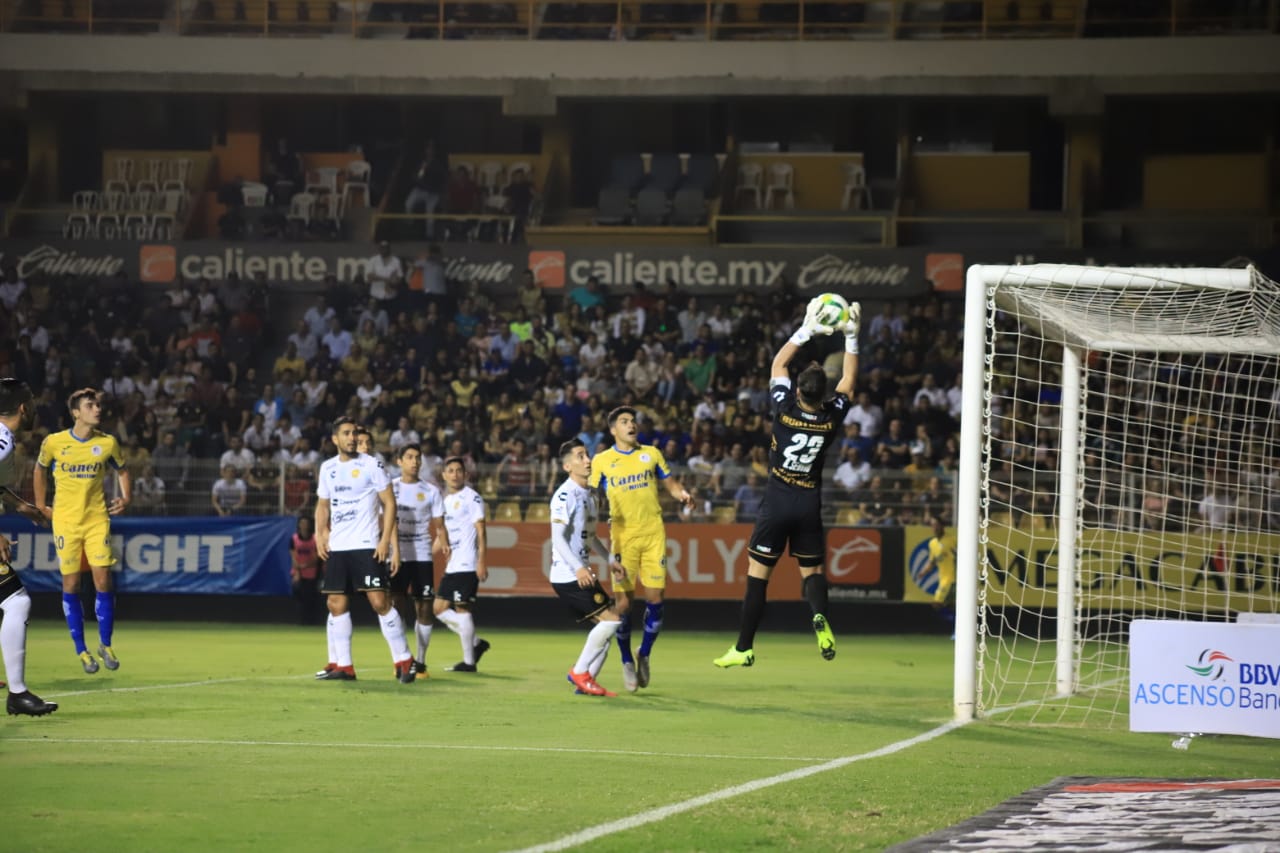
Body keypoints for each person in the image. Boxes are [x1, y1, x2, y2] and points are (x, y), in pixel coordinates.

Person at [714, 297, 860, 668]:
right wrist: (852, 338)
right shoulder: (832, 416)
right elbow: (848, 383)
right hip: (809, 503)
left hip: (778, 501)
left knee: (757, 578)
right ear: (821, 394)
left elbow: (778, 362)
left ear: (798, 391)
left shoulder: (783, 409)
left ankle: (744, 648)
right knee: (811, 573)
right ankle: (819, 616)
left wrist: (807, 329)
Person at [591, 406, 693, 692]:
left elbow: (671, 484)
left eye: (633, 421)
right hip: (623, 537)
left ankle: (643, 653)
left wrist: (682, 494)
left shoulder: (652, 454)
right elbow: (589, 493)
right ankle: (625, 660)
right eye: (624, 421)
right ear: (614, 430)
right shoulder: (602, 461)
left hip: (653, 533)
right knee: (623, 604)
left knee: (656, 599)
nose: (631, 424)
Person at [33, 388, 131, 675]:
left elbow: (123, 470)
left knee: (103, 579)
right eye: (90, 405)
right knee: (71, 584)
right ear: (76, 412)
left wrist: (126, 499)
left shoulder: (107, 443)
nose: (97, 409)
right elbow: (39, 470)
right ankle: (81, 649)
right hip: (65, 522)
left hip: (96, 519)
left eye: (98, 405)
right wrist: (40, 505)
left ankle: (106, 643)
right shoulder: (54, 442)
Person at [313, 417, 415, 684]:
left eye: (354, 433)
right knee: (335, 603)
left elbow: (389, 503)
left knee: (380, 602)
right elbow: (322, 505)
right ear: (335, 439)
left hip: (366, 544)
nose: (351, 438)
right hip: (339, 546)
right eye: (346, 434)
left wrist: (384, 541)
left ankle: (404, 659)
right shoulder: (327, 468)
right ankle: (345, 666)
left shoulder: (372, 464)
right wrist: (320, 533)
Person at [549, 439, 627, 698]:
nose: (588, 460)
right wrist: (578, 569)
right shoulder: (564, 495)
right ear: (568, 465)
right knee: (612, 620)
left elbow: (589, 536)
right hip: (568, 574)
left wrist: (609, 560)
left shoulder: (591, 494)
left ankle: (586, 682)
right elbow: (557, 538)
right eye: (581, 456)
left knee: (608, 626)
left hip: (579, 571)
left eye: (587, 455)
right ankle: (580, 673)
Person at [0, 379, 57, 715]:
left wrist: (25, 508)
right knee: (16, 602)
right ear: (23, 407)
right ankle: (17, 694)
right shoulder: (3, 439)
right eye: (31, 401)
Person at [391, 444, 449, 679]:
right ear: (399, 461)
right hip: (397, 554)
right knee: (396, 607)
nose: (414, 461)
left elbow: (439, 525)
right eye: (409, 457)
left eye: (417, 458)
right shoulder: (390, 488)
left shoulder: (431, 491)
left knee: (424, 608)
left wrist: (443, 539)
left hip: (422, 555)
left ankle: (421, 662)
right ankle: (401, 658)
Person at [434, 456, 490, 672]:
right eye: (451, 470)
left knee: (462, 609)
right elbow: (442, 536)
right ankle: (475, 642)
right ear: (444, 475)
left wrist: (482, 560)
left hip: (467, 563)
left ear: (465, 475)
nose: (455, 474)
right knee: (438, 609)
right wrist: (426, 556)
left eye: (459, 470)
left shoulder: (472, 498)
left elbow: (481, 530)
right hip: (453, 565)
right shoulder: (445, 501)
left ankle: (468, 662)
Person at [924, 516, 957, 637]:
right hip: (943, 578)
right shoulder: (932, 543)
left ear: (942, 526)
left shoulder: (952, 540)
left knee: (937, 604)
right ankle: (958, 628)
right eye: (932, 525)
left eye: (936, 524)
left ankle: (958, 629)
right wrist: (924, 571)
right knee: (951, 606)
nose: (934, 527)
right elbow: (932, 561)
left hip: (952, 579)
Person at [290, 516, 322, 626]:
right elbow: (293, 557)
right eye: (302, 523)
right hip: (298, 573)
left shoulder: (315, 539)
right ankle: (300, 620)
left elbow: (316, 558)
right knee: (299, 596)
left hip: (312, 573)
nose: (304, 525)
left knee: (311, 597)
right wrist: (298, 571)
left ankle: (311, 621)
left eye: (306, 523)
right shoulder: (294, 539)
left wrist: (306, 565)